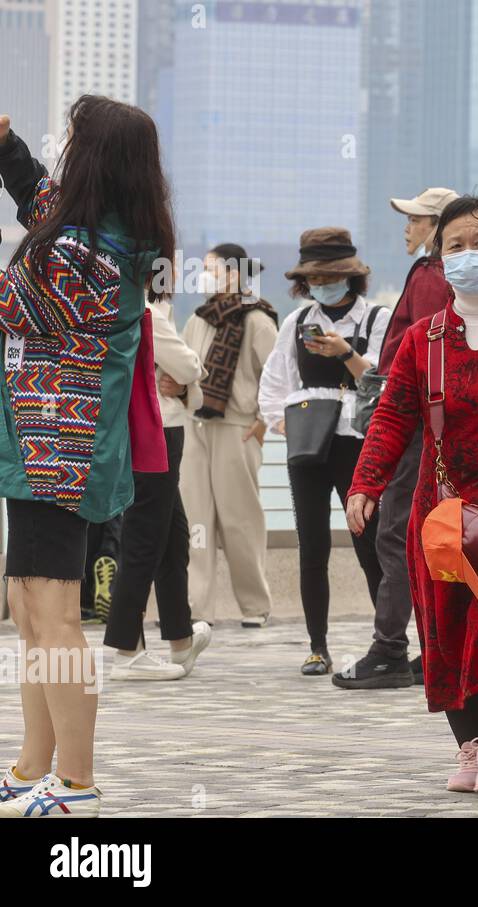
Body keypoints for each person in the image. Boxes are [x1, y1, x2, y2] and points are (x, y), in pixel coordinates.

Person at [0, 97, 175, 818]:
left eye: (72, 137)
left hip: (62, 448)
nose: (62, 147)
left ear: (95, 154)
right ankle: (31, 764)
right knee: (27, 607)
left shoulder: (91, 251)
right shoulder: (92, 225)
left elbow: (14, 300)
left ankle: (77, 780)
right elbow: (34, 188)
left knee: (54, 610)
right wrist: (6, 143)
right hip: (33, 438)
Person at [347, 196, 478, 795]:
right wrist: (366, 483)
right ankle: (467, 747)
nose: (469, 255)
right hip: (442, 515)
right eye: (455, 246)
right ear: (438, 258)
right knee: (447, 630)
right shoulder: (422, 339)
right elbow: (391, 419)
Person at [335, 188, 457, 690]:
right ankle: (431, 651)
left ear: (435, 226)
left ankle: (390, 647)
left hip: (415, 423)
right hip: (431, 423)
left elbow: (426, 349)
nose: (407, 228)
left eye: (415, 219)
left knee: (396, 532)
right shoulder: (439, 275)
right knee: (418, 533)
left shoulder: (430, 275)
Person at [259, 228, 389, 675]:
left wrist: (344, 352)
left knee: (368, 540)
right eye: (313, 277)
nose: (321, 285)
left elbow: (383, 380)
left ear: (350, 277)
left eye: (330, 276)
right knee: (311, 542)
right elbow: (275, 381)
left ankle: (387, 639)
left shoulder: (376, 319)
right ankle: (317, 644)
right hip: (309, 442)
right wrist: (284, 420)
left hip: (358, 441)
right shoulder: (295, 322)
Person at [104, 289, 213, 680]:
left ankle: (181, 640)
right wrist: (188, 379)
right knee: (145, 538)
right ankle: (126, 649)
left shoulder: (122, 303)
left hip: (143, 430)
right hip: (157, 432)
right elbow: (187, 367)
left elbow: (182, 382)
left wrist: (184, 385)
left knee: (172, 536)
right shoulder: (145, 309)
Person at [179, 245, 279, 628]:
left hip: (237, 429)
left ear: (234, 274)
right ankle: (197, 607)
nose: (204, 275)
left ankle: (255, 606)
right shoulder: (197, 319)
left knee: (240, 520)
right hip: (196, 427)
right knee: (196, 520)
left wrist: (263, 422)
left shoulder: (258, 320)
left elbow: (275, 375)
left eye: (211, 269)